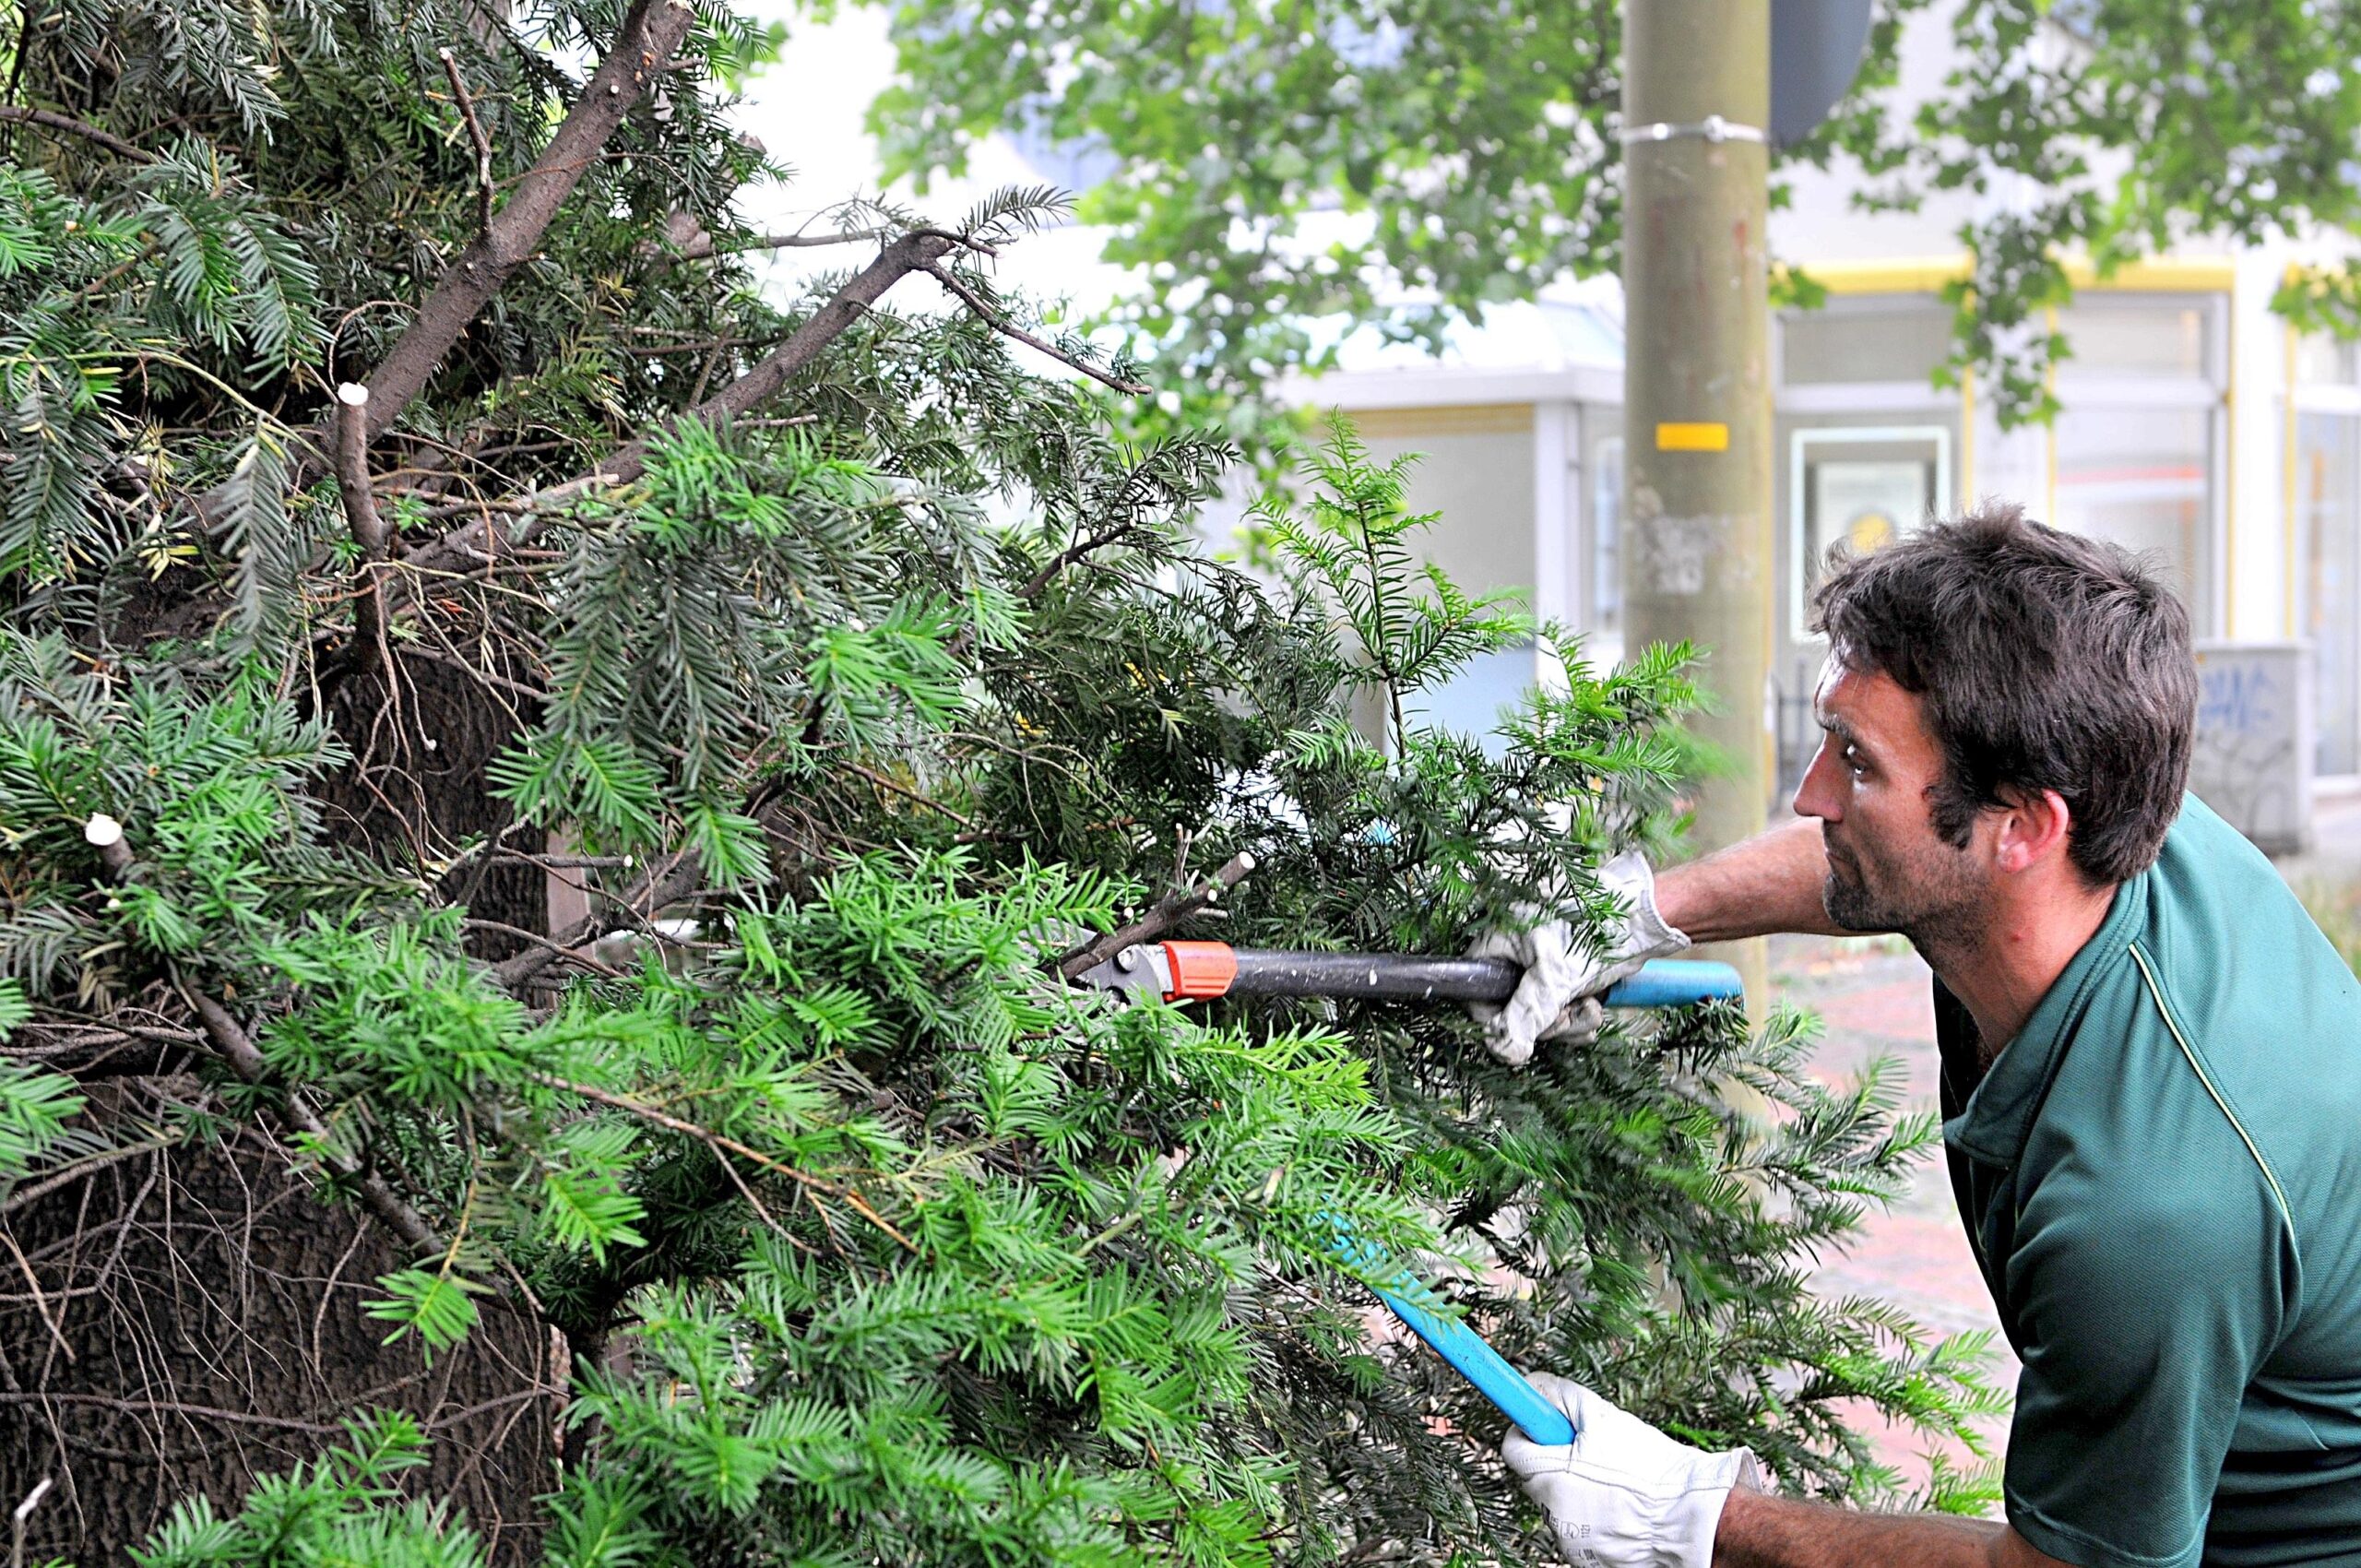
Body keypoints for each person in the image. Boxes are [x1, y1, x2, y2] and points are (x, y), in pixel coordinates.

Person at [1477, 504, 2361, 1568]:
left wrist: (1702, 1519)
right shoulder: (2104, 813)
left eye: (1854, 762)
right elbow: (1890, 861)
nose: (1809, 795)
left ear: (2028, 825)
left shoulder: (2150, 1206)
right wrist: (1645, 908)